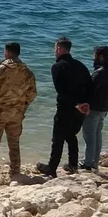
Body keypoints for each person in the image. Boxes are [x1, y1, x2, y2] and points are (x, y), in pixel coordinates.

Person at [0, 42, 38, 184]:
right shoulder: (27, 72)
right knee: (14, 143)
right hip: (16, 113)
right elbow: (32, 93)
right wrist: (22, 106)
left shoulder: (0, 70)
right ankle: (15, 173)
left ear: (6, 52)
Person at [36, 37, 92, 177]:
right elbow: (90, 86)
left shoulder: (57, 67)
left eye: (55, 49)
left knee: (58, 138)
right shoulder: (81, 66)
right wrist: (85, 104)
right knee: (71, 135)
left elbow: (61, 90)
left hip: (66, 107)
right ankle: (73, 165)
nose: (54, 51)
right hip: (81, 107)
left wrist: (75, 104)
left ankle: (52, 168)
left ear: (60, 49)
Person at [82, 45, 108, 171]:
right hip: (106, 107)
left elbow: (88, 91)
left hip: (95, 108)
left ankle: (88, 163)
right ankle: (94, 162)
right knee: (97, 135)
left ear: (101, 57)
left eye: (94, 55)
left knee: (89, 136)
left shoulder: (99, 73)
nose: (93, 58)